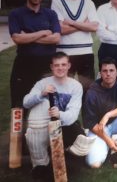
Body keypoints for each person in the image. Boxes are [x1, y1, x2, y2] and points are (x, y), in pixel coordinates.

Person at [23, 52, 95, 180]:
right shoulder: (42, 83)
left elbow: (72, 115)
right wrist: (41, 94)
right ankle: (42, 165)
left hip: (65, 125)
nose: (60, 68)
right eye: (57, 65)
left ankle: (66, 155)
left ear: (69, 66)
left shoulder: (75, 86)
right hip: (44, 125)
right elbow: (26, 102)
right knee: (41, 171)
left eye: (63, 64)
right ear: (51, 67)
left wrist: (59, 114)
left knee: (81, 147)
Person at [8, 0, 60, 110]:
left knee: (50, 104)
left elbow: (55, 38)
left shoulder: (50, 14)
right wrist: (44, 32)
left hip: (47, 65)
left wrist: (28, 36)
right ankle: (18, 132)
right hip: (24, 64)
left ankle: (50, 131)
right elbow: (17, 39)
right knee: (19, 105)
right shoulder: (16, 14)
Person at [83, 57, 117, 169]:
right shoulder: (92, 91)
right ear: (100, 73)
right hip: (99, 127)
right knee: (94, 164)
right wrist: (108, 141)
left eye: (111, 70)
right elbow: (90, 122)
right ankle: (107, 147)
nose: (108, 74)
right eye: (104, 71)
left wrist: (107, 115)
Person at [51, 0, 99, 95]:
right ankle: (66, 115)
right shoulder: (57, 2)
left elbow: (94, 27)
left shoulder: (88, 2)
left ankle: (88, 116)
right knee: (64, 92)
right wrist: (84, 24)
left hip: (86, 53)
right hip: (65, 54)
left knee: (88, 91)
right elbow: (60, 29)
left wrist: (71, 23)